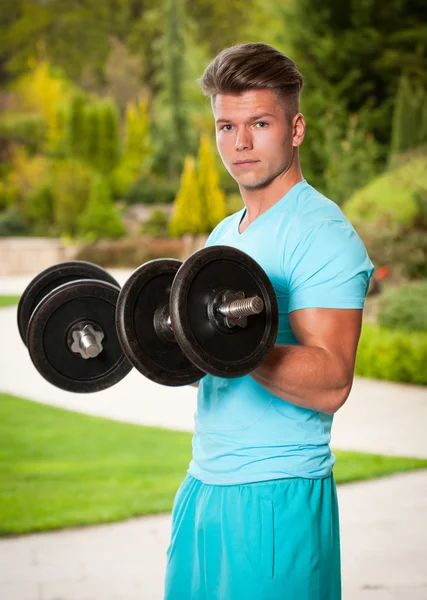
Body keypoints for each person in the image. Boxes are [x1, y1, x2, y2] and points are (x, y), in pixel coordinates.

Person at [164, 42, 375, 600]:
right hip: (204, 484)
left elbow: (332, 381)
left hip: (275, 496)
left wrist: (228, 340)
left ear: (296, 128)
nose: (241, 143)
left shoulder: (320, 233)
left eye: (259, 122)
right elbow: (200, 357)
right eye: (225, 127)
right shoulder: (222, 235)